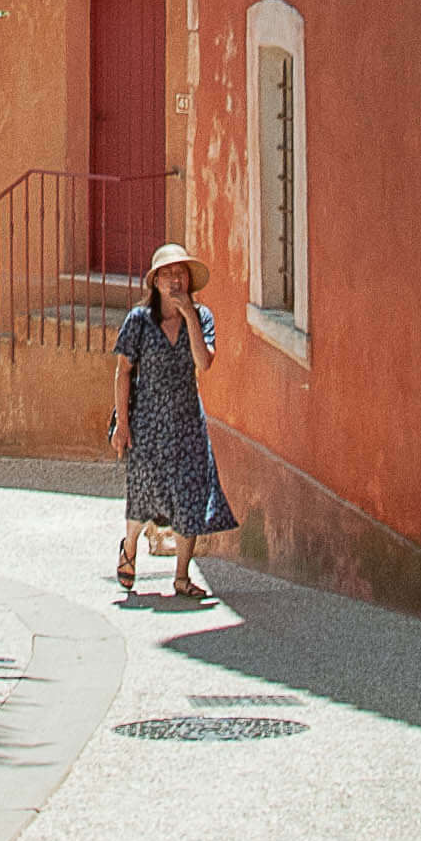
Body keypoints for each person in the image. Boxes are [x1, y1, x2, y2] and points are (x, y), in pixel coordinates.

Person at [112, 242, 236, 599]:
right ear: (155, 282)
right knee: (143, 493)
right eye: (166, 274)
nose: (174, 279)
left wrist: (190, 317)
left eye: (179, 273)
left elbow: (204, 363)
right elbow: (122, 371)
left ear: (189, 280)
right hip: (146, 420)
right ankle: (130, 548)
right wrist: (123, 424)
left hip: (186, 422)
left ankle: (181, 577)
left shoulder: (204, 317)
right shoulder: (138, 320)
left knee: (190, 496)